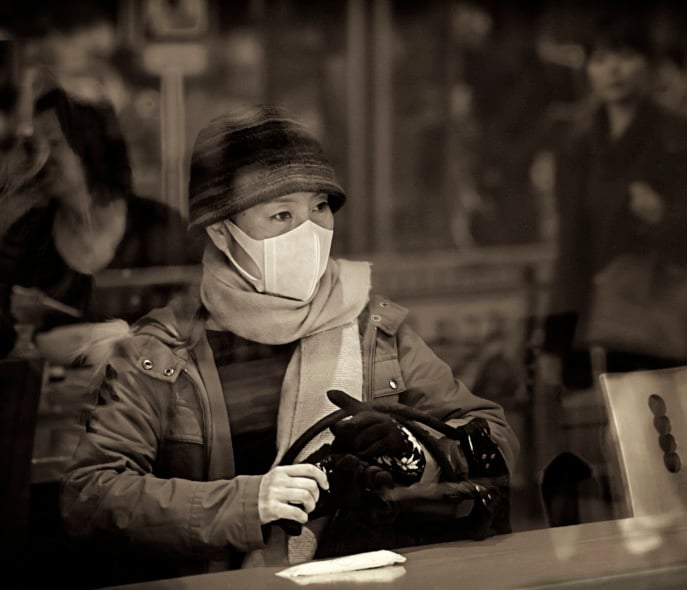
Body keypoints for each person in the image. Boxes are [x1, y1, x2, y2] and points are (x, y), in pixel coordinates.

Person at [59, 105, 519, 586]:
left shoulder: (371, 324)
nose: (310, 232)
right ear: (221, 229)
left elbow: (492, 434)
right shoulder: (159, 351)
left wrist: (419, 453)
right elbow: (90, 494)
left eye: (319, 207)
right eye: (282, 214)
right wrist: (249, 503)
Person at [539, 11, 687, 393]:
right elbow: (571, 250)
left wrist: (665, 219)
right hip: (603, 319)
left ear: (649, 64)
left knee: (671, 430)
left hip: (668, 315)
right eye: (600, 59)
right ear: (588, 69)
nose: (613, 70)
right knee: (619, 435)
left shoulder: (682, 137)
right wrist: (555, 344)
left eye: (625, 56)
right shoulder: (576, 146)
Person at [0, 85, 201, 359]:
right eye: (34, 146)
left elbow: (201, 317)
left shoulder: (157, 227)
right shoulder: (28, 236)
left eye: (55, 143)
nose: (42, 158)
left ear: (89, 147)